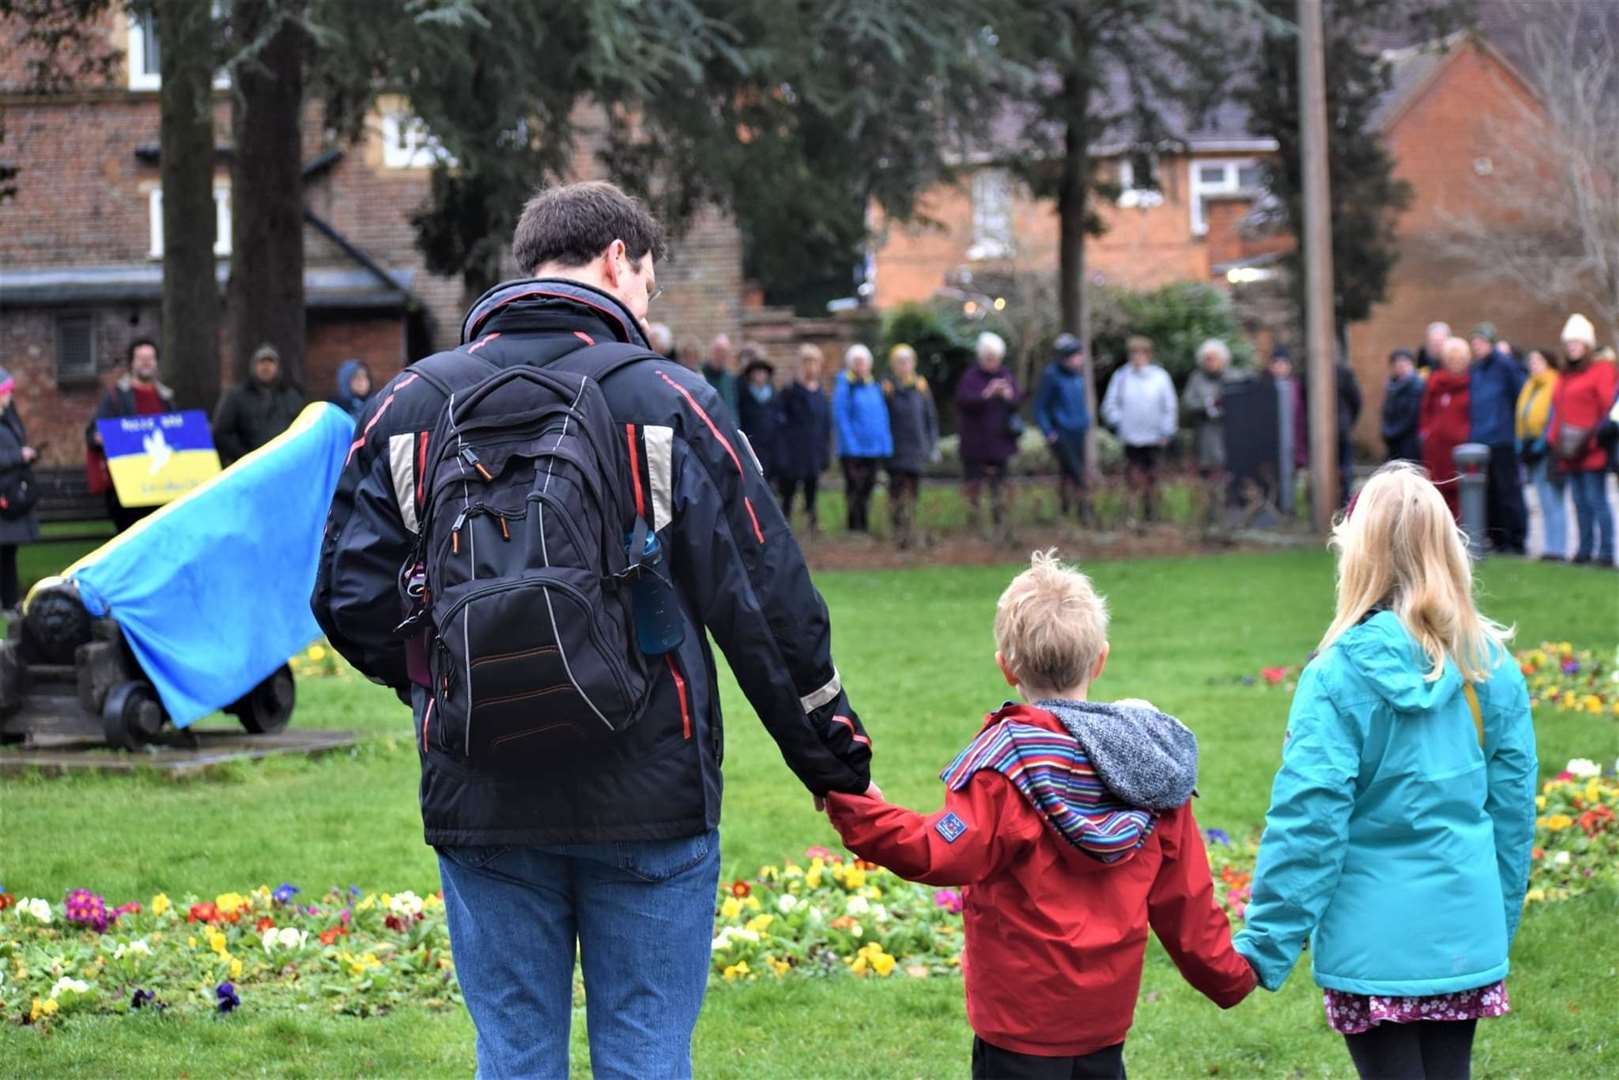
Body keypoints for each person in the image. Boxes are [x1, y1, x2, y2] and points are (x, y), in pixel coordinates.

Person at [312, 180, 874, 1078]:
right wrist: (833, 758)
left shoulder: (407, 405)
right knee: (647, 1054)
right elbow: (765, 600)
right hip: (650, 782)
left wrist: (454, 677)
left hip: (480, 782)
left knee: (515, 1057)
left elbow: (347, 596)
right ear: (619, 260)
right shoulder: (667, 399)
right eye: (648, 281)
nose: (646, 303)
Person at [826, 550, 1255, 1079]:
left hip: (1018, 1023)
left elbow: (937, 850)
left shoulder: (1006, 764)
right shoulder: (1148, 763)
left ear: (1006, 667)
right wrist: (1230, 976)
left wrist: (856, 807)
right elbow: (1185, 898)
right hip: (1104, 1020)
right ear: (1100, 660)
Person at [1234, 462, 1535, 1080]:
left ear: (1357, 553)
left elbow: (1309, 819)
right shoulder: (1490, 667)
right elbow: (1512, 813)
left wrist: (1264, 944)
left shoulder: (1335, 676)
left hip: (1371, 946)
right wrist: (1493, 922)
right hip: (1461, 934)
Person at [86, 337, 178, 532]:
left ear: (156, 363)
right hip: (127, 490)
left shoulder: (166, 398)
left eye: (150, 358)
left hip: (162, 487)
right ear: (132, 363)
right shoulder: (115, 397)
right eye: (141, 358)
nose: (146, 362)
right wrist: (99, 437)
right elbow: (93, 433)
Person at [1548, 314, 1617, 565]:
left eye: (1577, 343)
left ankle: (1607, 552)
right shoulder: (1565, 376)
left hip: (1591, 447)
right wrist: (1554, 442)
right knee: (1578, 502)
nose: (1572, 347)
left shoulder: (1602, 370)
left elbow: (1607, 407)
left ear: (1587, 345)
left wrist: (1594, 438)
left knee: (1596, 500)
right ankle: (1584, 549)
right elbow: (1558, 411)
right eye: (1569, 343)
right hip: (1568, 449)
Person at [1101, 334, 1177, 527]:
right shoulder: (1121, 376)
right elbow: (1109, 405)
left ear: (1148, 355)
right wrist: (1121, 422)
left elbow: (1169, 407)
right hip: (1130, 438)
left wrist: (1166, 432)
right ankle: (1131, 516)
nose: (1137, 357)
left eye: (1141, 353)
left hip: (1155, 438)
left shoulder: (1160, 377)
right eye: (1133, 353)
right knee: (1132, 479)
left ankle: (1152, 514)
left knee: (1153, 478)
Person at [955, 332, 1022, 542]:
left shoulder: (1006, 375)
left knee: (999, 487)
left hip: (1000, 443)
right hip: (975, 444)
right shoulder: (970, 377)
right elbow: (964, 401)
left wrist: (1008, 395)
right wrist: (987, 394)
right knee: (974, 485)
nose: (992, 363)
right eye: (988, 358)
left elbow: (1018, 401)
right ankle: (974, 525)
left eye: (995, 358)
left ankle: (1000, 524)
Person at [1468, 322, 1527, 554]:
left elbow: (1519, 397)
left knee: (1508, 491)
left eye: (1480, 342)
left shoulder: (1505, 366)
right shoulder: (1476, 369)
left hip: (1502, 439)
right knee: (1489, 493)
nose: (1477, 347)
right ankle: (1498, 539)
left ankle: (1516, 539)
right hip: (1480, 440)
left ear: (1490, 343)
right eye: (1474, 343)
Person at [882, 344, 939, 550]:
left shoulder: (921, 387)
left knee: (914, 492)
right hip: (895, 449)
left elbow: (930, 418)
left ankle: (911, 525)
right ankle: (898, 530)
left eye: (907, 362)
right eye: (900, 362)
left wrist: (932, 444)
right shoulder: (887, 388)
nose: (904, 366)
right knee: (896, 491)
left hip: (917, 448)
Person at [831, 344, 892, 534]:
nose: (860, 366)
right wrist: (851, 446)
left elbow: (881, 416)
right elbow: (841, 418)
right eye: (856, 362)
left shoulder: (874, 386)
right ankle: (854, 526)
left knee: (868, 488)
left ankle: (864, 524)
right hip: (853, 450)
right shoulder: (844, 387)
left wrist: (885, 443)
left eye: (863, 362)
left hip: (873, 448)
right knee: (854, 488)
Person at [1034, 333, 1093, 524]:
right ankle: (1086, 511)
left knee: (1070, 473)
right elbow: (1040, 407)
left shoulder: (1077, 377)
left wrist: (1085, 420)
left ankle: (1067, 512)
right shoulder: (1051, 375)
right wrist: (1049, 432)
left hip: (1078, 431)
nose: (1080, 359)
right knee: (1076, 473)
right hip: (1061, 432)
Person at [212, 344, 304, 465]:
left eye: (270, 362)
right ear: (254, 366)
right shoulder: (236, 397)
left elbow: (301, 430)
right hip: (248, 467)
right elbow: (222, 432)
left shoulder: (291, 396)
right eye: (262, 362)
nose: (266, 367)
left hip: (283, 464)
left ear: (278, 367)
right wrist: (245, 456)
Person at [776, 343, 833, 535]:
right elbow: (781, 423)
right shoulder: (790, 391)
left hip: (814, 449)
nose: (810, 367)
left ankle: (812, 523)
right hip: (794, 450)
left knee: (812, 488)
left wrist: (825, 450)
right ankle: (784, 524)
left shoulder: (820, 393)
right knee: (789, 490)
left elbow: (826, 424)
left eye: (814, 362)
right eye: (806, 362)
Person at [1516, 348, 1564, 562]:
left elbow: (1555, 415)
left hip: (1547, 449)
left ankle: (1558, 548)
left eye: (1538, 361)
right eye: (1531, 361)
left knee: (1553, 498)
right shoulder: (1529, 386)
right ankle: (1549, 546)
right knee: (1542, 500)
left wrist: (1542, 442)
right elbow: (1522, 416)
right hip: (1530, 448)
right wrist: (1521, 442)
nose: (1533, 365)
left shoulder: (1555, 383)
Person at [1180, 338, 1234, 532]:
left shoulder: (1231, 377)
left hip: (1228, 435)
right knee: (1208, 476)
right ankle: (1209, 516)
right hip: (1205, 436)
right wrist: (1206, 406)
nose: (1210, 362)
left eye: (1214, 358)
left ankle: (1229, 515)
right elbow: (1188, 402)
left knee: (1227, 476)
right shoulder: (1197, 378)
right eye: (1207, 359)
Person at [1419, 337, 1472, 520]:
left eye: (1459, 359)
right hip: (1436, 450)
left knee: (1460, 493)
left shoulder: (1472, 384)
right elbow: (1425, 413)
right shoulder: (1435, 383)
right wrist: (1427, 434)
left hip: (1461, 450)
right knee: (1436, 491)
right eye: (1451, 359)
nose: (1455, 363)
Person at [0, 368, 40, 614]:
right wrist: (18, 456)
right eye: (6, 391)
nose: (10, 395)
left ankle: (9, 600)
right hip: (3, 493)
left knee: (8, 552)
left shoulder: (9, 417)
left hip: (11, 492)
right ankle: (7, 601)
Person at [1266, 347, 1308, 515]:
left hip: (1294, 439)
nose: (1280, 367)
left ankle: (1290, 508)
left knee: (1291, 475)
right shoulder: (1265, 386)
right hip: (1271, 440)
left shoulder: (1296, 386)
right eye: (1276, 364)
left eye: (1283, 364)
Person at [735, 349, 782, 486]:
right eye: (757, 372)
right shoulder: (743, 393)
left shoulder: (772, 394)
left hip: (770, 443)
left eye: (763, 372)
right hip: (752, 442)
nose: (760, 375)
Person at [1380, 348, 1424, 463]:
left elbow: (1413, 414)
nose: (1400, 366)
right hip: (1393, 440)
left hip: (1410, 440)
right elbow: (1386, 410)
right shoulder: (1391, 386)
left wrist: (1393, 432)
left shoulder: (1417, 385)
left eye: (1404, 362)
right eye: (1397, 363)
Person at [1336, 361, 1363, 508]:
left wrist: (1347, 422)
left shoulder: (1344, 374)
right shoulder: (1309, 374)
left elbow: (1356, 400)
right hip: (1341, 428)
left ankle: (1345, 505)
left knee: (1345, 471)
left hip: (1341, 430)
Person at [702, 333, 738, 417]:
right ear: (712, 351)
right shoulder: (701, 376)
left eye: (725, 352)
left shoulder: (730, 379)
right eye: (718, 351)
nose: (721, 355)